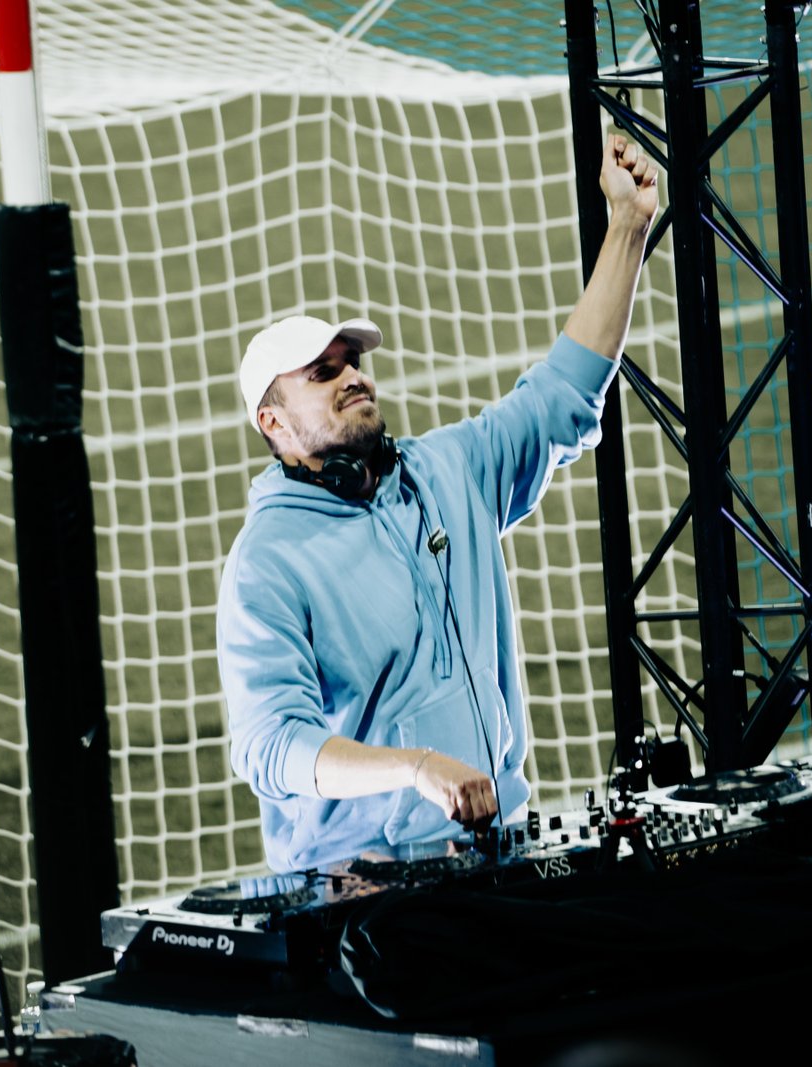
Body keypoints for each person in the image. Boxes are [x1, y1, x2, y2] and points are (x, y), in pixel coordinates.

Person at [217, 134, 659, 873]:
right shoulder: (266, 564)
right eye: (322, 374)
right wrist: (413, 767)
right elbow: (272, 746)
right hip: (362, 886)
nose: (352, 377)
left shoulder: (447, 470)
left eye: (352, 362)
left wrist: (628, 227)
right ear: (274, 424)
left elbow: (563, 394)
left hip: (495, 852)